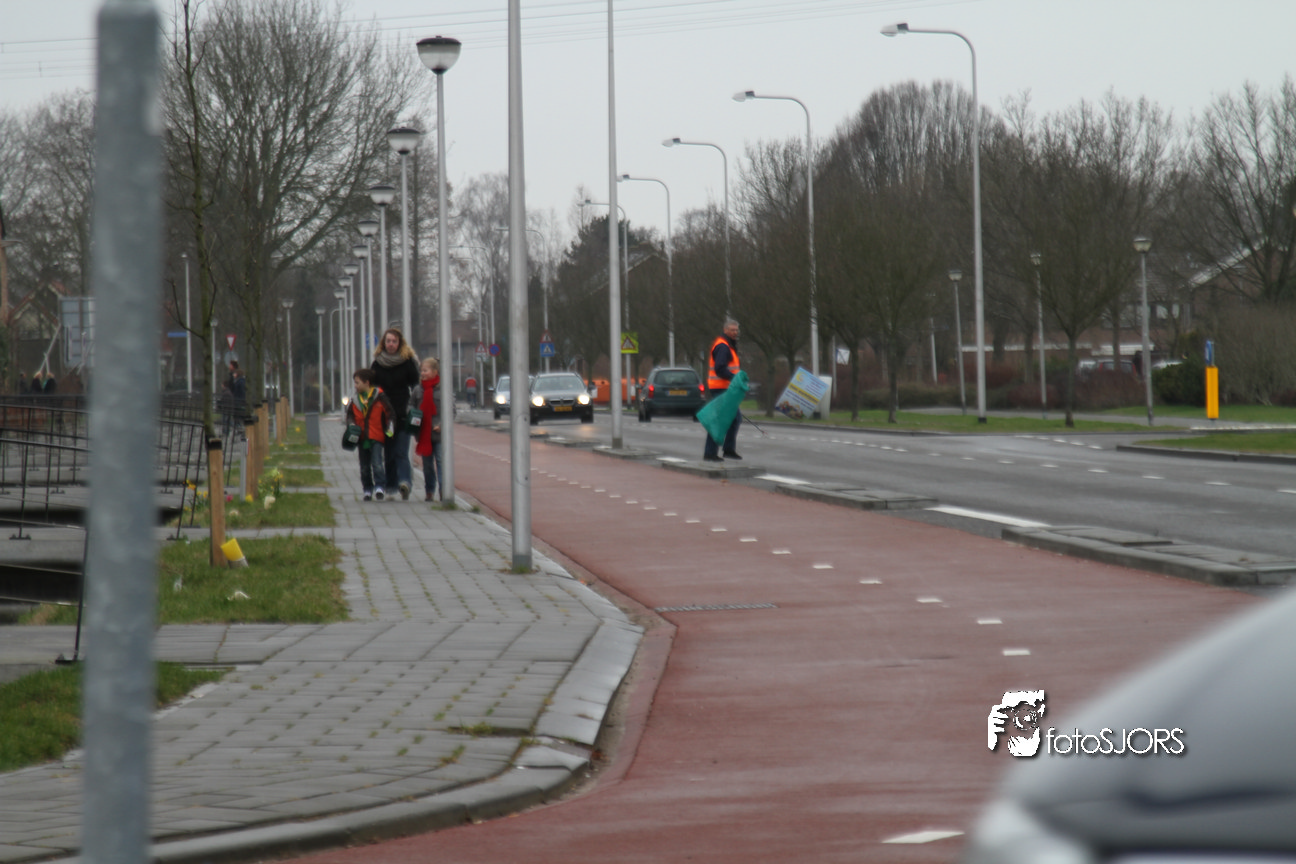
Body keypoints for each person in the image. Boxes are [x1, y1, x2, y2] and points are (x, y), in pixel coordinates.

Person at [370, 328, 420, 501]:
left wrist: (415, 406)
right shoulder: (377, 364)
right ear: (384, 343)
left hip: (403, 412)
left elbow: (415, 385)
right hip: (385, 415)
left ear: (400, 343)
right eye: (388, 341)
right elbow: (372, 388)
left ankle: (405, 483)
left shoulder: (407, 362)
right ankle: (391, 486)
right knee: (389, 453)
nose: (391, 344)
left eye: (394, 341)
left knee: (401, 451)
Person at [347, 368, 395, 501]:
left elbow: (390, 413)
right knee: (364, 467)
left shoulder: (380, 397)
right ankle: (367, 489)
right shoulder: (355, 400)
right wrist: (351, 425)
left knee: (377, 463)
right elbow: (350, 415)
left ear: (367, 382)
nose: (355, 386)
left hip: (376, 436)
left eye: (357, 383)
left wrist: (390, 428)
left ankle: (380, 486)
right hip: (362, 437)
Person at [703, 317, 743, 462]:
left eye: (736, 330)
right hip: (721, 388)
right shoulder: (723, 346)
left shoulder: (728, 345)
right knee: (721, 420)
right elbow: (720, 369)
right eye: (732, 330)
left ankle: (728, 449)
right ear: (725, 330)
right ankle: (711, 453)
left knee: (734, 419)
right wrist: (734, 378)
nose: (735, 332)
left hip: (724, 388)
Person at [414, 357, 443, 502]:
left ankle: (444, 490)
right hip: (424, 435)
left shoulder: (443, 390)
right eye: (422, 371)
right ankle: (429, 490)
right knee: (427, 465)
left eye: (425, 370)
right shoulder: (418, 390)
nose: (423, 373)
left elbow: (451, 410)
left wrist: (442, 424)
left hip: (439, 434)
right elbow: (411, 406)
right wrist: (413, 417)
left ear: (435, 371)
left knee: (441, 461)